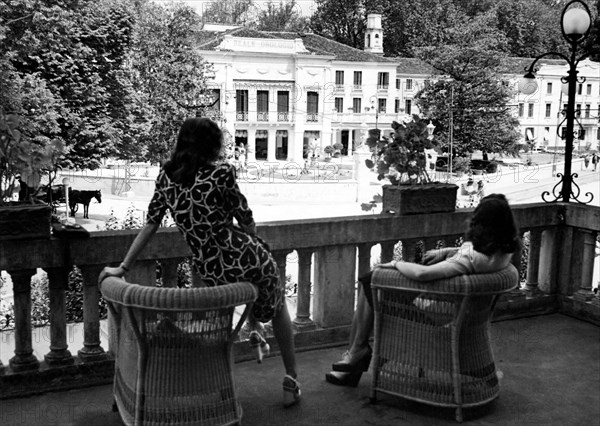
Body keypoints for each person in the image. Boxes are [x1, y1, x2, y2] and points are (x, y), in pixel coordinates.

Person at [98, 117, 301, 407]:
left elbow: (151, 225)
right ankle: (291, 376)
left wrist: (124, 267)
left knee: (226, 312)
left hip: (210, 268)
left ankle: (248, 337)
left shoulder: (167, 178)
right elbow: (246, 221)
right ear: (213, 145)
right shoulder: (222, 174)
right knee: (278, 304)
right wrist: (252, 240)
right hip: (244, 256)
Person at [325, 193, 520, 387]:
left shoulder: (471, 259)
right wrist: (448, 251)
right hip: (462, 314)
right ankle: (354, 355)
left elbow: (423, 275)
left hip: (435, 316)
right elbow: (472, 255)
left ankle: (356, 353)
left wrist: (394, 263)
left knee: (370, 281)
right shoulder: (502, 252)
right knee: (370, 286)